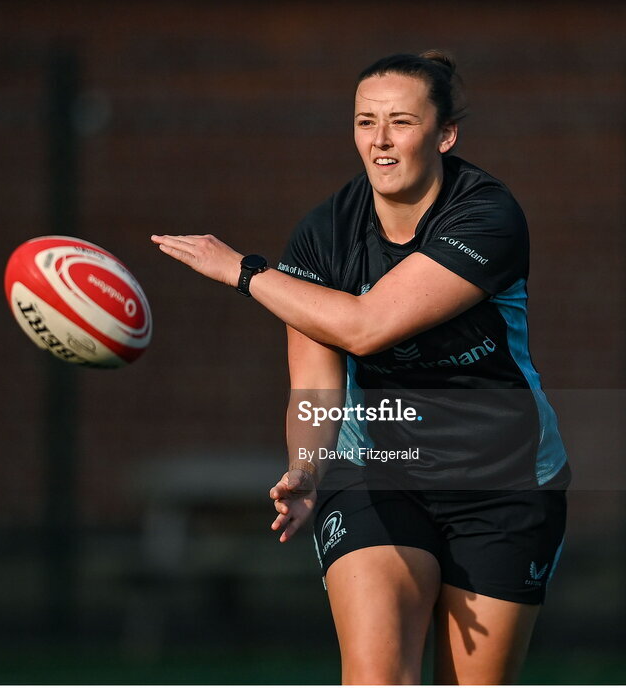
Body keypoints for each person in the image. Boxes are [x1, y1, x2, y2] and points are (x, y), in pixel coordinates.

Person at [151, 50, 569, 685]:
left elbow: (367, 326)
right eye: (364, 121)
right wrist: (306, 468)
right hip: (379, 471)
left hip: (503, 480)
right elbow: (316, 385)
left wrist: (240, 270)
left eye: (401, 121)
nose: (379, 140)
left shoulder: (487, 216)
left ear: (445, 134)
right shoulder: (324, 235)